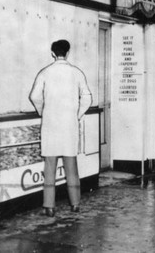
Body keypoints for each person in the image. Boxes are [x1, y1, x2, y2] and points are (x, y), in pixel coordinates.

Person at [29, 40, 92, 217]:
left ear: (52, 53)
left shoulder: (45, 73)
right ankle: (75, 204)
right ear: (68, 52)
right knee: (71, 166)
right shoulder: (76, 73)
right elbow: (87, 98)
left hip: (50, 125)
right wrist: (77, 114)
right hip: (69, 126)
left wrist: (44, 111)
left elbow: (34, 96)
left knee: (49, 166)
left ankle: (49, 206)